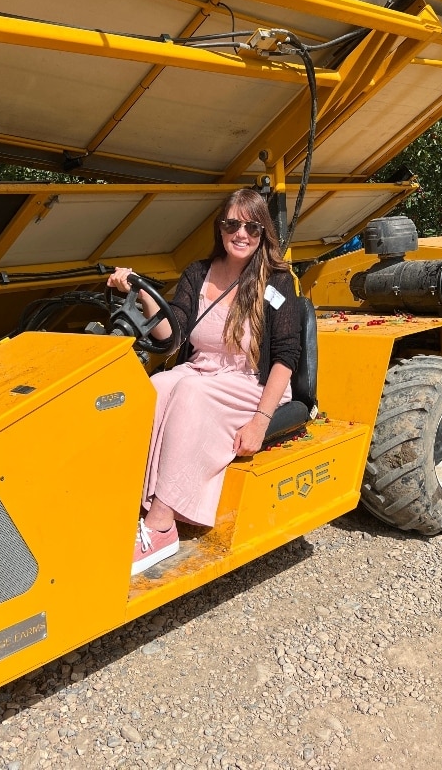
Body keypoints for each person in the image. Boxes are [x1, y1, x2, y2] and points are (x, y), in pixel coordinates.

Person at [108, 188, 301, 576]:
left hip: (250, 382)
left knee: (190, 393)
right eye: (232, 223)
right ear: (221, 228)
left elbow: (286, 358)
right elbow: (172, 334)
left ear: (263, 231)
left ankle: (162, 526)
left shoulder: (276, 284)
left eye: (251, 225)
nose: (240, 233)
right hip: (199, 369)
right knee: (157, 387)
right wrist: (143, 293)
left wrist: (260, 421)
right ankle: (130, 507)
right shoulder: (198, 273)